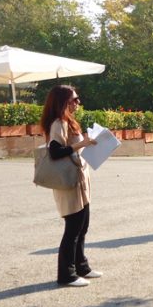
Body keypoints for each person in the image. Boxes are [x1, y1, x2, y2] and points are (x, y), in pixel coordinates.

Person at [41, 85, 99, 287]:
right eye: (74, 99)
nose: (78, 103)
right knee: (73, 229)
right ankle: (67, 275)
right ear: (62, 102)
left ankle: (82, 267)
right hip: (68, 182)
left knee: (82, 227)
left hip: (79, 180)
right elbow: (55, 151)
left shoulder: (68, 122)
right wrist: (81, 144)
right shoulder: (58, 123)